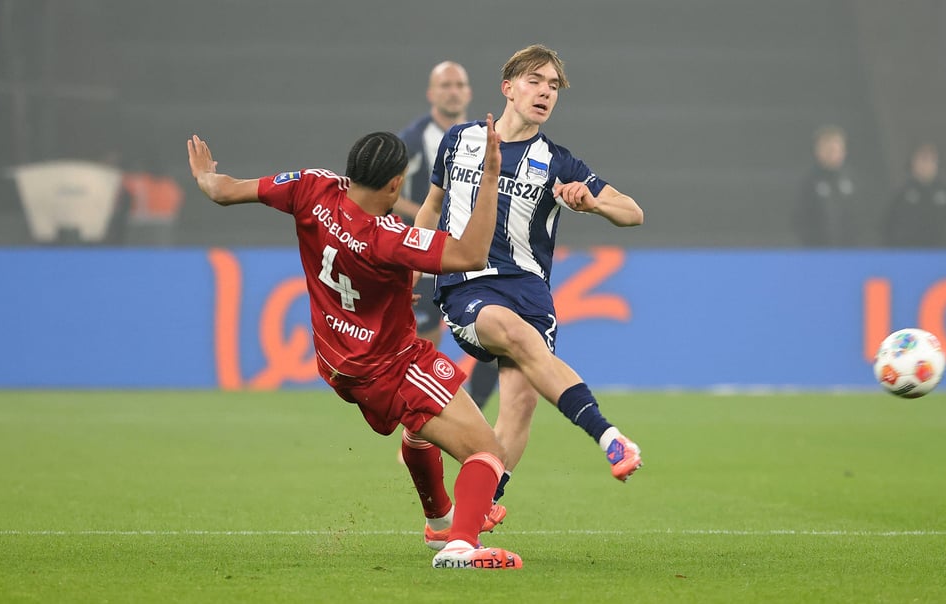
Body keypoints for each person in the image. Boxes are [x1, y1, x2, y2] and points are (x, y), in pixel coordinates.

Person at [186, 115, 522, 570]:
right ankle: (461, 545)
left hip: (336, 362)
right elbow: (471, 254)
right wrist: (490, 176)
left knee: (420, 429)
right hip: (392, 365)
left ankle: (441, 519)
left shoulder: (312, 187)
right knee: (489, 454)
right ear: (395, 184)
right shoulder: (388, 238)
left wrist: (206, 177)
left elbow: (224, 191)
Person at [414, 44, 645, 506]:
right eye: (535, 81)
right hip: (470, 286)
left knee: (519, 406)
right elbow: (432, 208)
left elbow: (633, 212)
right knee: (511, 331)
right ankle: (608, 436)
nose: (545, 92)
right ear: (508, 88)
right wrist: (411, 275)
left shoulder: (558, 162)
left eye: (553, 86)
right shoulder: (459, 140)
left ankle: (476, 511)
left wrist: (593, 202)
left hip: (531, 292)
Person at [396, 61, 499, 410]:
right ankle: (421, 424)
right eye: (446, 85)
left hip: (473, 257)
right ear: (432, 93)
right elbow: (386, 192)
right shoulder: (412, 140)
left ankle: (470, 415)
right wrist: (427, 217)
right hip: (425, 257)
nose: (453, 91)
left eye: (459, 85)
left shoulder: (488, 138)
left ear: (468, 92)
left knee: (495, 344)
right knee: (423, 346)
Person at [883, 142, 946, 247]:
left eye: (931, 160)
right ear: (913, 162)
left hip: (942, 253)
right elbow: (886, 224)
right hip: (909, 254)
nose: (926, 165)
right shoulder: (901, 193)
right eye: (922, 159)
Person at [793, 125, 862, 247]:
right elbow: (800, 218)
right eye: (826, 149)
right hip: (818, 252)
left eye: (834, 149)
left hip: (852, 252)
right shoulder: (808, 182)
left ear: (844, 151)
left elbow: (863, 217)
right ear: (817, 151)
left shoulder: (854, 180)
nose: (831, 153)